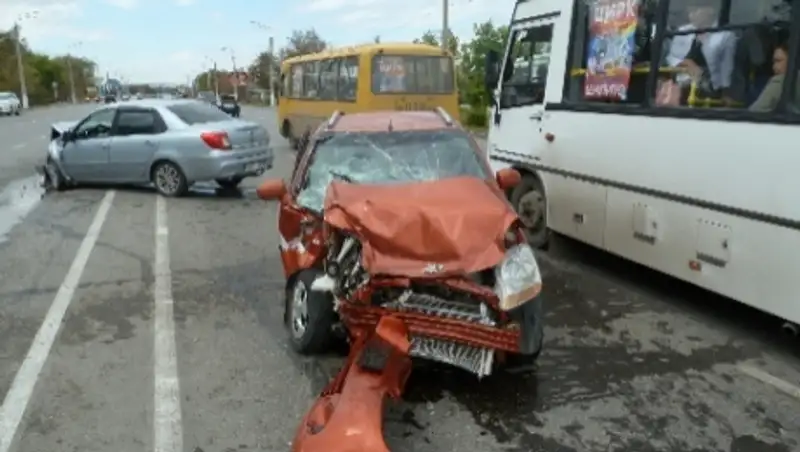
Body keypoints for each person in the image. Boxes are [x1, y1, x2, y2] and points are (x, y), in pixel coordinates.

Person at [664, 0, 737, 99]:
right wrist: (686, 63)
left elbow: (727, 69)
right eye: (690, 12)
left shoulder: (726, 35)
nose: (691, 15)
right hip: (680, 87)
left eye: (695, 11)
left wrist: (725, 93)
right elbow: (671, 57)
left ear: (710, 10)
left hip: (710, 90)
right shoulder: (683, 31)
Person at [749, 42, 790, 112]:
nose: (774, 67)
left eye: (778, 61)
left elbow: (755, 111)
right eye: (774, 62)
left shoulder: (779, 81)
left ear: (791, 61)